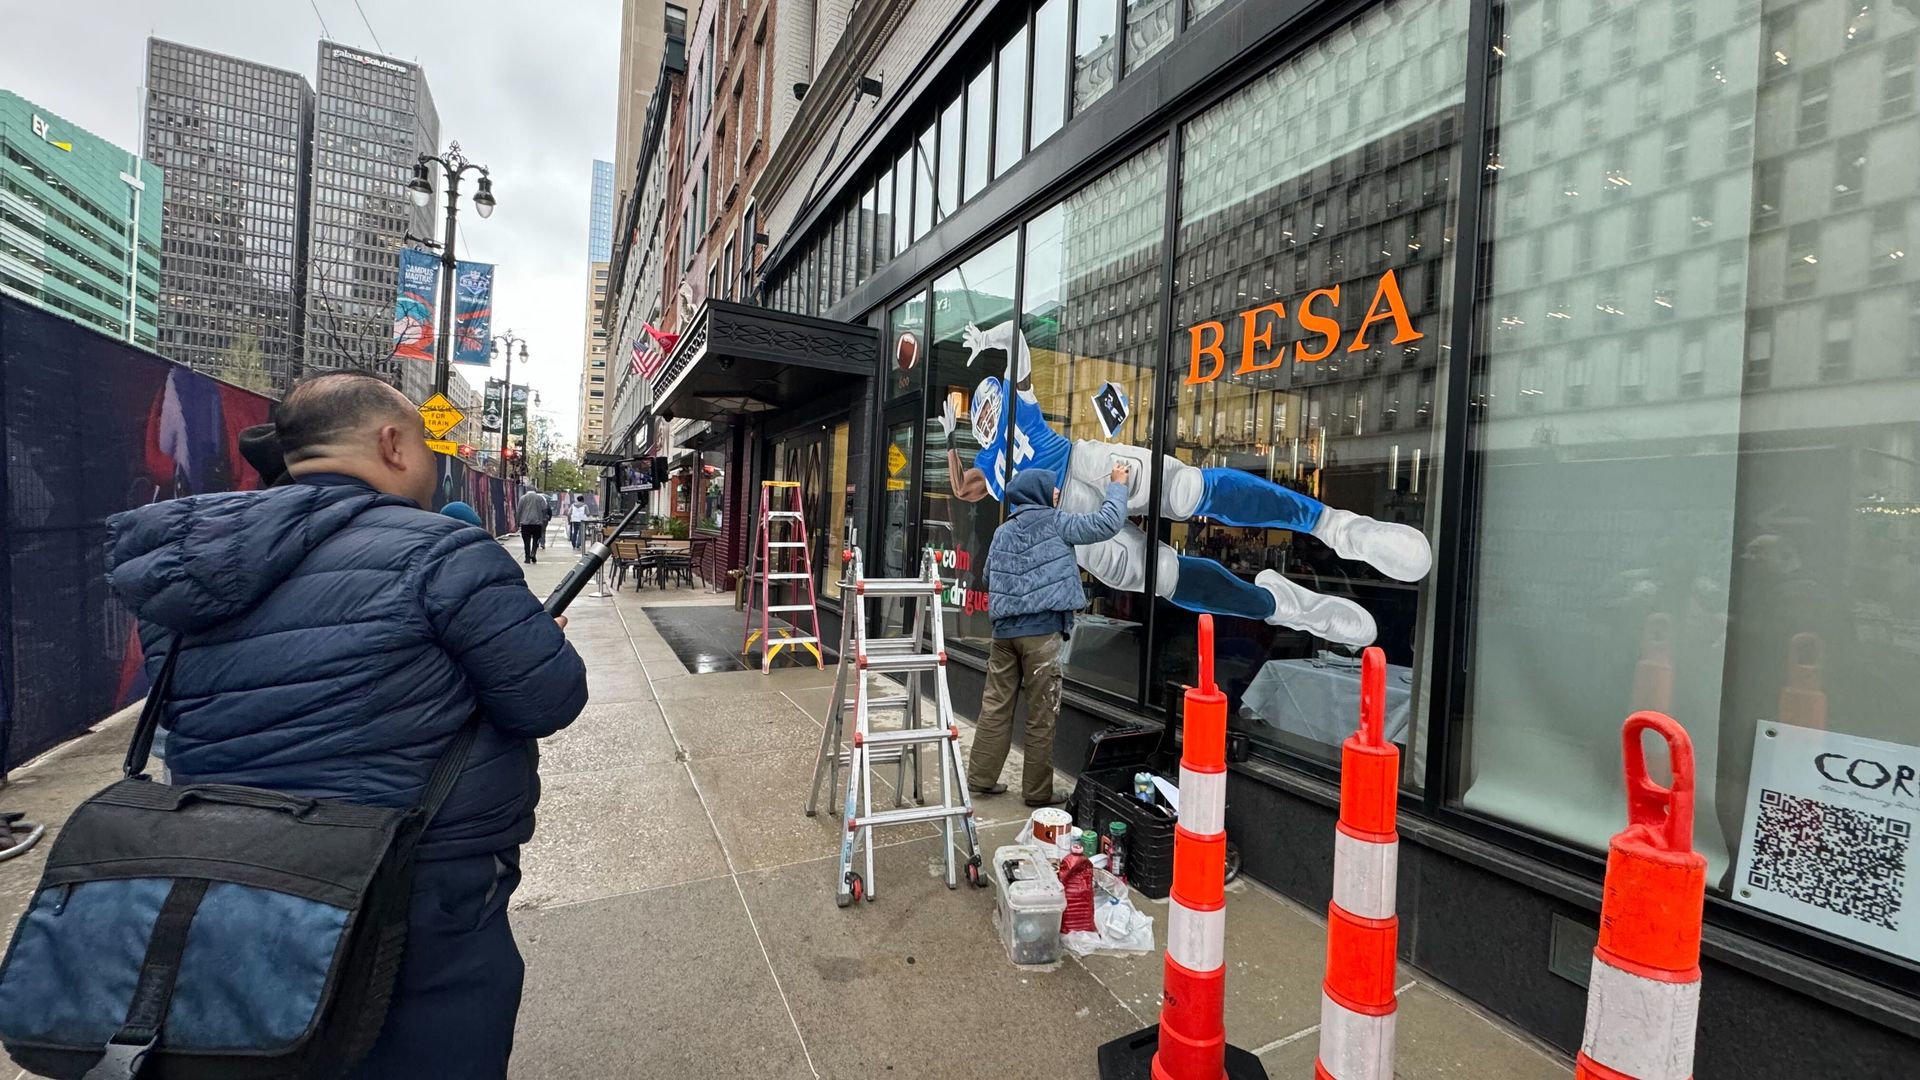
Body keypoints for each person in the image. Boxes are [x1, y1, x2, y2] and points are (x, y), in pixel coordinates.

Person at [105, 370, 588, 1079]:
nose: (434, 468)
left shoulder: (183, 564)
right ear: (392, 444)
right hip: (416, 886)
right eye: (429, 447)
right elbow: (550, 699)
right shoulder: (445, 552)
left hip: (228, 872)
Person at [939, 320, 1432, 645]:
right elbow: (965, 490)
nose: (985, 415)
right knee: (1163, 577)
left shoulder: (1018, 408)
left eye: (987, 405)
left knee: (1185, 489)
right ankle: (1283, 606)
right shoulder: (987, 460)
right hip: (1068, 526)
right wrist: (946, 445)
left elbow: (1020, 345)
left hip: (1085, 465)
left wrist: (991, 340)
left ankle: (1337, 526)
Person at [967, 464, 1127, 807]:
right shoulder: (1058, 522)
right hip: (1042, 634)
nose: (1057, 493)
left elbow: (986, 577)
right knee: (1042, 713)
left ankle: (981, 778)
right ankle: (1038, 793)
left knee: (995, 706)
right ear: (1038, 493)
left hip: (1004, 634)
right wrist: (1117, 485)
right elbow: (1106, 522)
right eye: (1052, 488)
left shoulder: (1002, 532)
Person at [515, 486, 548, 563]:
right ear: (535, 490)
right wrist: (543, 518)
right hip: (537, 523)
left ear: (527, 490)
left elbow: (518, 511)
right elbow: (545, 509)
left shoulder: (522, 498)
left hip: (525, 523)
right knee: (536, 539)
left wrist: (517, 521)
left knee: (526, 541)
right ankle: (533, 553)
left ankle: (527, 557)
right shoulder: (540, 498)